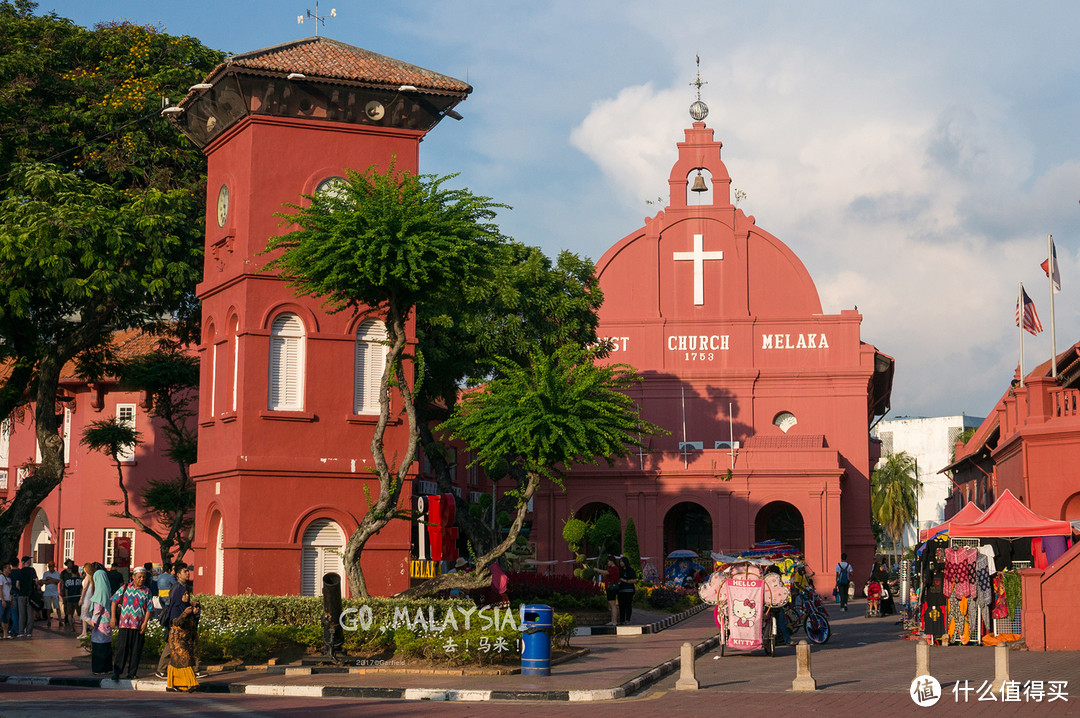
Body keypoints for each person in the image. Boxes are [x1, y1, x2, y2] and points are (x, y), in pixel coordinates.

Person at [111, 566, 152, 681]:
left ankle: (132, 673)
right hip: (124, 624)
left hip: (138, 625)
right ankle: (117, 672)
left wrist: (145, 623)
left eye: (143, 577)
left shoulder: (147, 591)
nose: (142, 579)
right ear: (133, 577)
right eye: (139, 577)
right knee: (121, 649)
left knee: (136, 650)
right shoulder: (125, 588)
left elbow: (149, 608)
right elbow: (114, 601)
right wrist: (113, 617)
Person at [156, 562, 188, 678]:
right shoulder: (177, 587)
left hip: (164, 602)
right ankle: (162, 669)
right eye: (185, 571)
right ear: (177, 574)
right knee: (171, 645)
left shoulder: (161, 578)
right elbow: (175, 605)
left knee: (177, 645)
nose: (188, 573)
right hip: (175, 620)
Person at [166, 587, 201, 692]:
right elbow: (176, 622)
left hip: (187, 638)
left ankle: (173, 684)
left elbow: (192, 622)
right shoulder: (176, 608)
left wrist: (194, 612)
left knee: (178, 660)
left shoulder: (188, 606)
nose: (187, 596)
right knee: (184, 659)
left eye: (187, 594)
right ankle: (191, 683)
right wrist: (185, 613)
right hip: (177, 639)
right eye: (184, 594)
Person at [89, 565, 114, 674]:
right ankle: (107, 668)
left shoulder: (99, 592)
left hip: (100, 625)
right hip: (107, 622)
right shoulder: (107, 590)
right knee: (106, 646)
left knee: (98, 647)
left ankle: (98, 669)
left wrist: (92, 621)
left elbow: (97, 609)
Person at [12, 556, 37, 638]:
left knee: (21, 614)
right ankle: (29, 632)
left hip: (21, 595)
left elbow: (17, 585)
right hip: (30, 595)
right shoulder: (32, 570)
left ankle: (21, 632)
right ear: (27, 562)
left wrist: (21, 590)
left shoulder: (20, 571)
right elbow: (36, 581)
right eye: (29, 560)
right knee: (30, 614)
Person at [61, 561, 82, 633]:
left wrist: (66, 598)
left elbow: (66, 590)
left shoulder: (68, 581)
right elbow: (81, 590)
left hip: (70, 599)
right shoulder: (80, 580)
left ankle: (71, 627)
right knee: (81, 614)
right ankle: (83, 626)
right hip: (78, 599)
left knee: (69, 614)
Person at [77, 562, 96, 639]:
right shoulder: (92, 576)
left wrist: (81, 598)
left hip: (86, 598)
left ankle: (95, 625)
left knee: (84, 615)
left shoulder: (88, 576)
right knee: (85, 614)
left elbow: (84, 588)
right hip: (89, 597)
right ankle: (84, 632)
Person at [617, 556, 637, 625]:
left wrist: (625, 580)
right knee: (621, 606)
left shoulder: (630, 570)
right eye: (620, 562)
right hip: (621, 590)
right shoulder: (620, 571)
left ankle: (627, 619)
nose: (621, 563)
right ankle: (622, 620)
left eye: (622, 561)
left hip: (629, 590)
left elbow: (634, 580)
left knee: (628, 605)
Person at [40, 562, 61, 628]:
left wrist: (50, 579)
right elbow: (43, 582)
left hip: (55, 593)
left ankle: (60, 620)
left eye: (51, 566)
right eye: (49, 566)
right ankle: (48, 621)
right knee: (48, 608)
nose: (50, 568)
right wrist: (49, 581)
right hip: (47, 593)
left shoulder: (57, 573)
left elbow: (57, 582)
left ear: (54, 566)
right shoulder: (45, 573)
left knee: (57, 607)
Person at [604, 556, 620, 626]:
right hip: (609, 588)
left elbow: (606, 572)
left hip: (611, 588)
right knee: (611, 604)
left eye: (608, 561)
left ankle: (614, 621)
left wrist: (597, 570)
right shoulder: (612, 568)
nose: (607, 563)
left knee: (613, 604)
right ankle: (612, 620)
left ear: (612, 561)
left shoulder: (614, 568)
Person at [0, 562, 12, 639]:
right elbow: (0, 589)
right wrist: (3, 600)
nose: (10, 569)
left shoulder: (9, 579)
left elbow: (10, 591)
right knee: (0, 616)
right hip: (2, 600)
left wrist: (11, 601)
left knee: (6, 618)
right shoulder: (1, 577)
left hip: (8, 600)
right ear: (4, 569)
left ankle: (5, 634)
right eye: (8, 568)